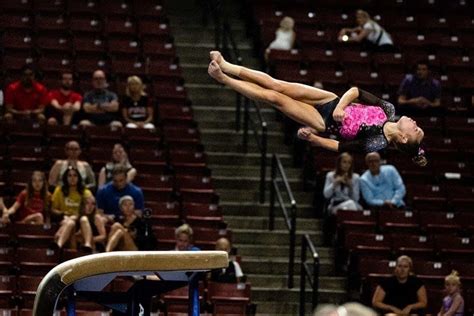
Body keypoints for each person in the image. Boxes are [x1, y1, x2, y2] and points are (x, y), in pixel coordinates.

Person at [207, 51, 427, 166]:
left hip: (322, 121)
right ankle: (227, 65)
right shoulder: (387, 110)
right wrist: (340, 106)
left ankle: (223, 78)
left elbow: (340, 147)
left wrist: (315, 140)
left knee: (275, 97)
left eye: (415, 129)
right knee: (278, 84)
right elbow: (356, 92)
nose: (415, 123)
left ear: (404, 139)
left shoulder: (377, 143)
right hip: (330, 100)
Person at [50, 167, 93, 249]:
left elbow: (91, 207)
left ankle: (87, 245)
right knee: (70, 222)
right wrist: (63, 214)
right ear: (66, 178)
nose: (72, 178)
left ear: (79, 177)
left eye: (75, 175)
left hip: (80, 220)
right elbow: (53, 210)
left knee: (83, 219)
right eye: (69, 176)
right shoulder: (59, 190)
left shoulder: (85, 191)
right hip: (64, 219)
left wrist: (78, 215)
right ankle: (59, 244)